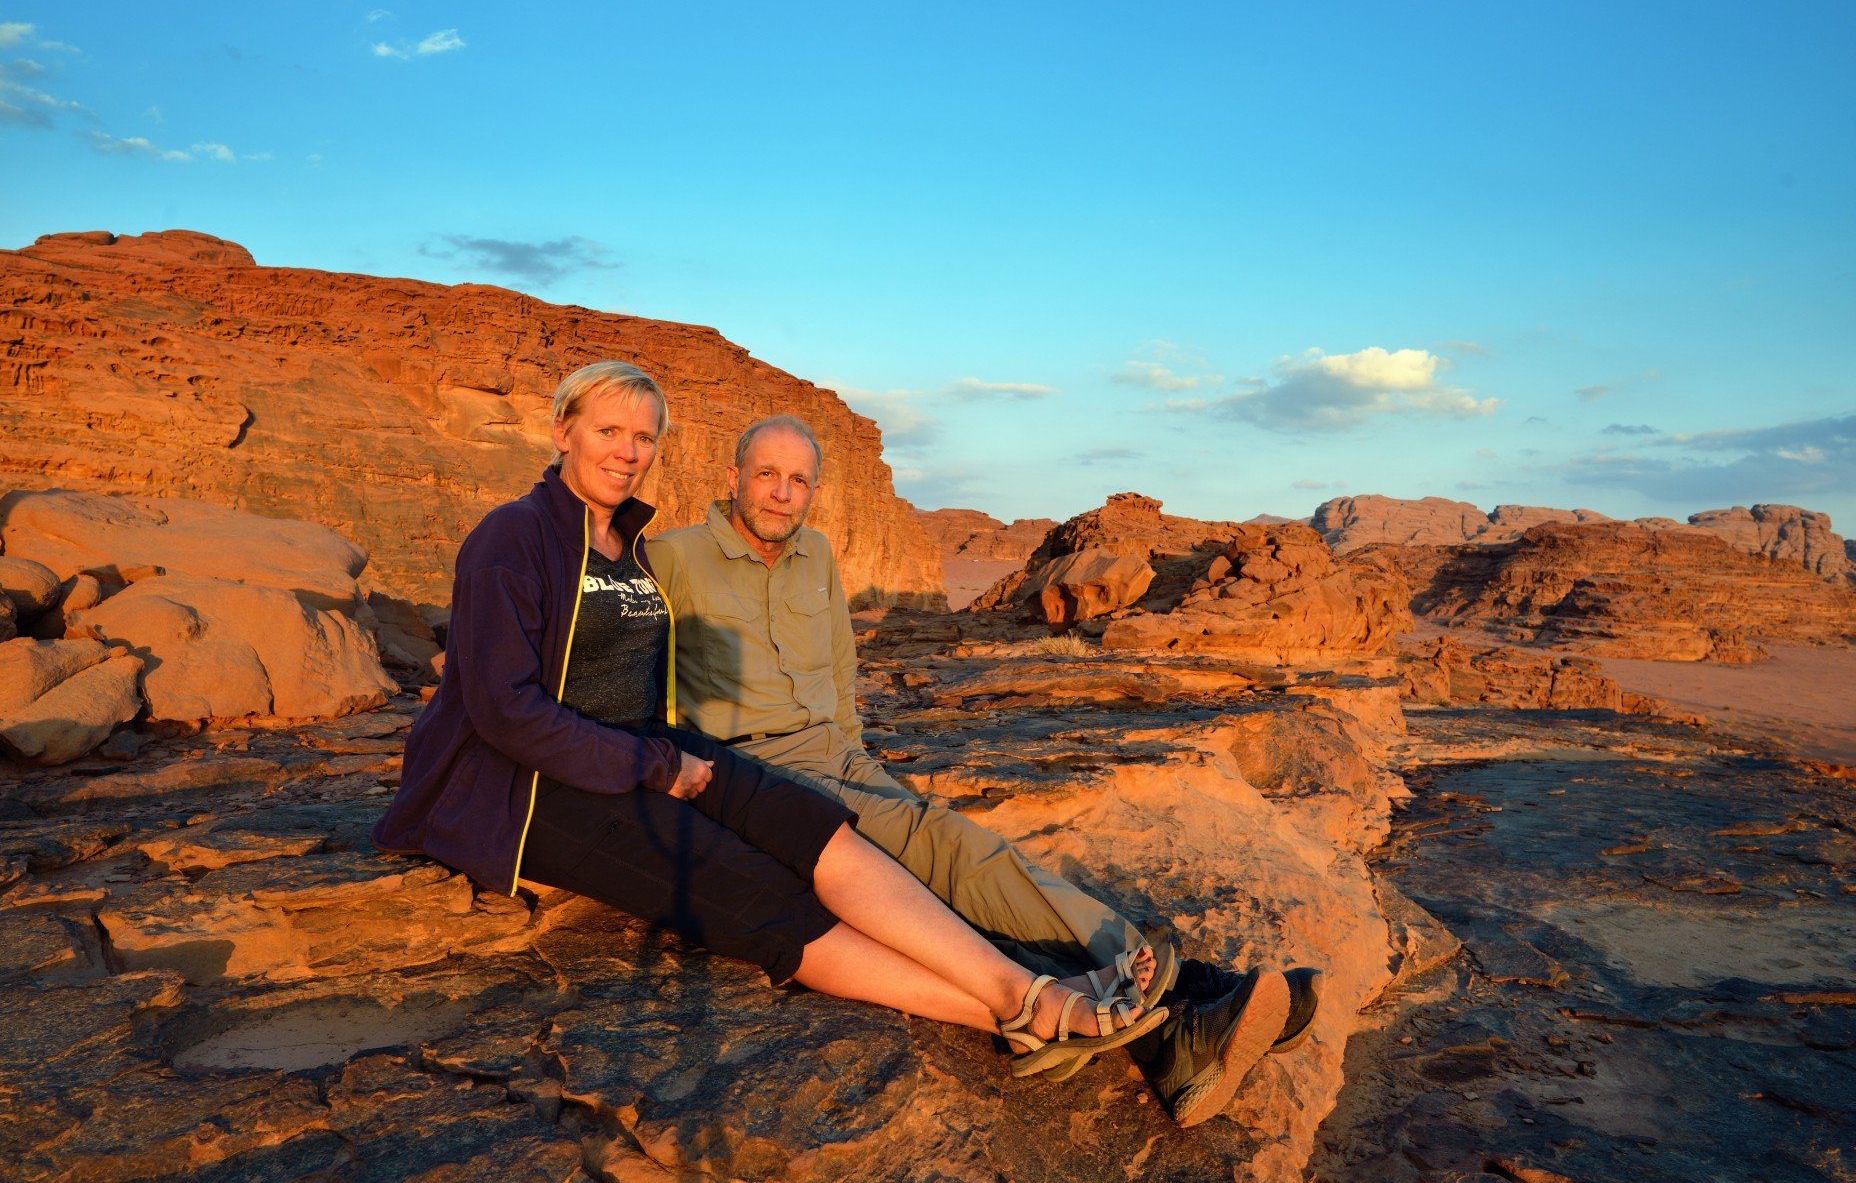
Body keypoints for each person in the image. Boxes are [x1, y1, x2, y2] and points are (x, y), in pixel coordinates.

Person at [373, 362, 1167, 1083]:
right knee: (753, 887)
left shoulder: (622, 541)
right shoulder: (511, 537)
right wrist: (658, 770)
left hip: (633, 748)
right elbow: (504, 710)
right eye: (608, 430)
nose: (627, 450)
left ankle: (1027, 982)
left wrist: (680, 757)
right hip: (526, 787)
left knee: (811, 824)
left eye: (643, 436)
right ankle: (1016, 1008)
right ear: (561, 432)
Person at [648, 414, 1322, 1126]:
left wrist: (855, 751)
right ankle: (1173, 991)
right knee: (955, 854)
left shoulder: (814, 552)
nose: (782, 493)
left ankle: (1180, 1022)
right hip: (759, 766)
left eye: (798, 480)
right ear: (732, 478)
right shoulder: (674, 559)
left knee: (940, 875)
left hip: (840, 755)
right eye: (766, 475)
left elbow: (841, 670)